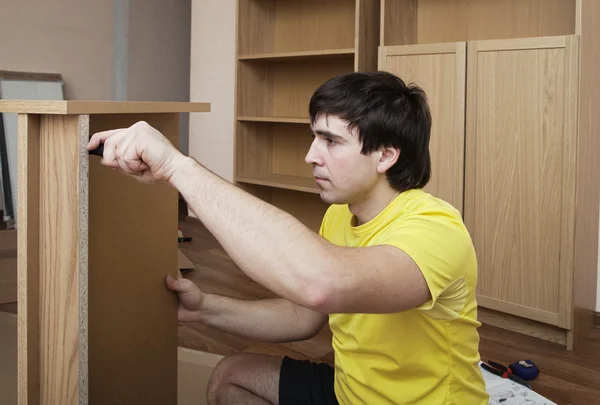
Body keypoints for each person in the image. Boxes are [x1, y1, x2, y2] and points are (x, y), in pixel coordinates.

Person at [88, 71, 489, 405]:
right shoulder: (338, 216)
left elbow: (320, 285)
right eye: (315, 137)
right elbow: (303, 315)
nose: (311, 155)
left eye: (331, 141)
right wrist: (205, 308)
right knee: (230, 378)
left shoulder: (435, 228)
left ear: (385, 156)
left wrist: (177, 167)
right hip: (348, 394)